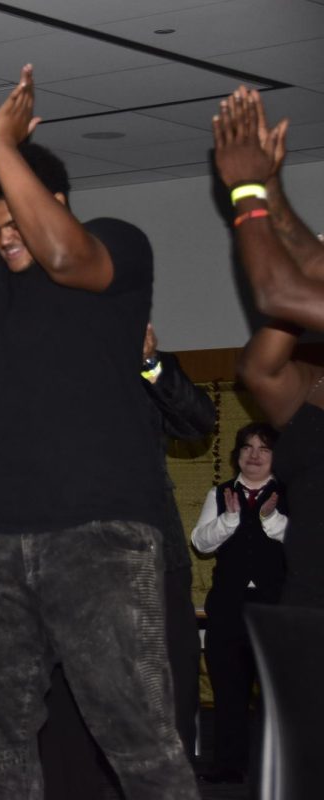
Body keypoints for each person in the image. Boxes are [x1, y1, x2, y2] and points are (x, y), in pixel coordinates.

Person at [0, 65, 197, 798]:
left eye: (13, 224)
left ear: (54, 202)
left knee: (139, 741)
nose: (4, 240)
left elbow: (61, 255)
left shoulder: (116, 247)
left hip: (102, 534)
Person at [40, 325, 216, 798]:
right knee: (72, 706)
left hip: (152, 564)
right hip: (69, 565)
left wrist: (149, 363)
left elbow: (198, 422)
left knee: (162, 701)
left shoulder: (150, 367)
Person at [212, 86, 324, 610]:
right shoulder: (311, 387)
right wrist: (273, 187)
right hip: (307, 601)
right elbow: (257, 368)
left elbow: (280, 291)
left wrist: (247, 191)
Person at [191, 423, 286, 783]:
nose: (255, 455)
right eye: (247, 448)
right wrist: (229, 520)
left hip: (274, 610)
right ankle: (229, 766)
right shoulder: (220, 494)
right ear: (237, 455)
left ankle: (272, 768)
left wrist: (271, 520)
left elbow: (305, 545)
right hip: (228, 610)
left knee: (274, 697)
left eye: (263, 448)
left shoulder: (291, 494)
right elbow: (201, 542)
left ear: (275, 456)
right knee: (229, 691)